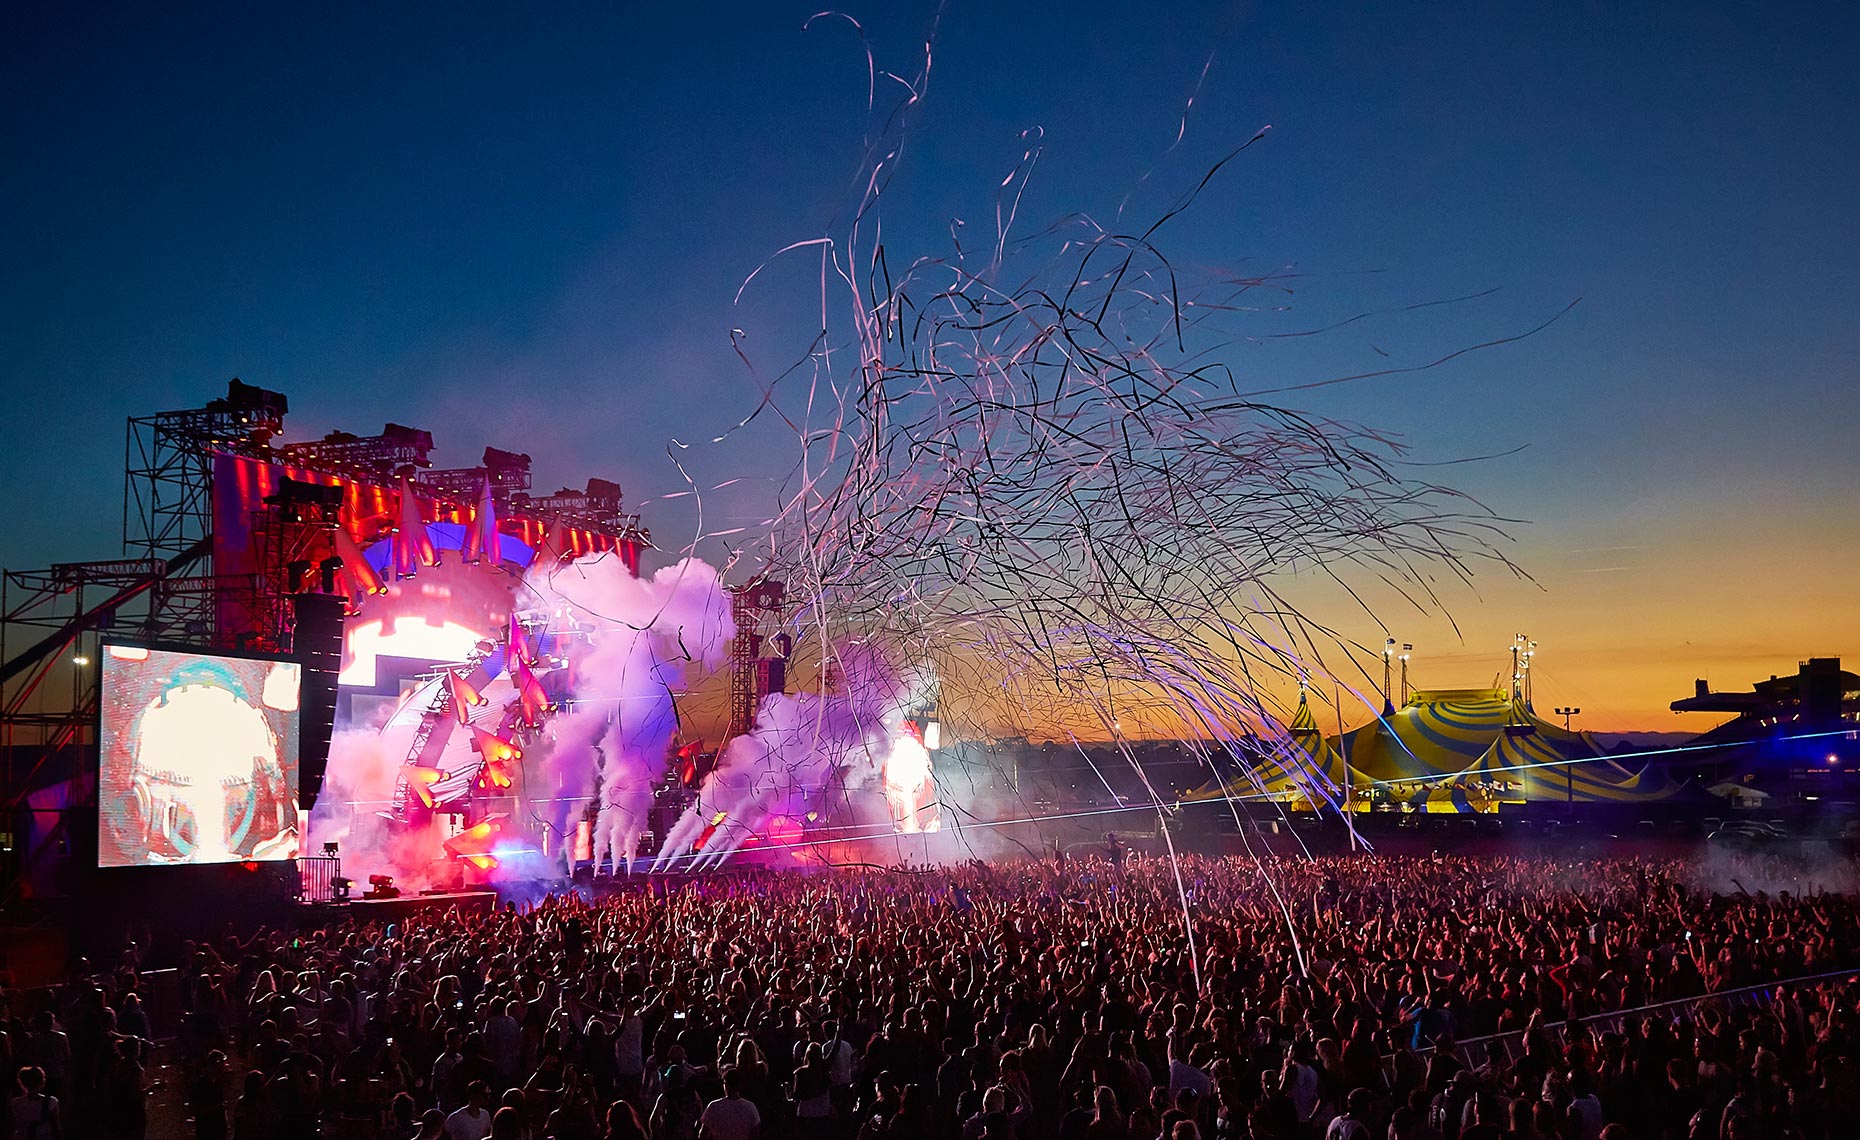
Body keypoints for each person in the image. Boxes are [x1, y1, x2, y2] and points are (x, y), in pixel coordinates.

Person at [697, 1066, 759, 1140]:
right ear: (740, 1085)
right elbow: (755, 1135)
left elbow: (703, 1135)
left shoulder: (714, 1106)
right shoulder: (750, 1107)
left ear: (725, 1085)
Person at [9, 1066, 60, 1140]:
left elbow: (11, 1127)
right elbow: (56, 1129)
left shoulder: (14, 1103)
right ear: (42, 1082)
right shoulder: (51, 1102)